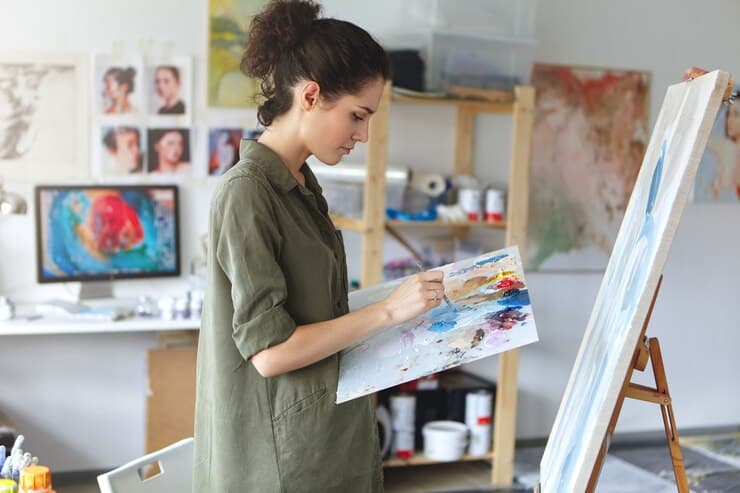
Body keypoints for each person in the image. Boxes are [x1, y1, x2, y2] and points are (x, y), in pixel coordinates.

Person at [193, 1, 446, 491]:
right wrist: (387, 312)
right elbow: (269, 352)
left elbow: (315, 316)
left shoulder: (303, 185)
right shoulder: (246, 191)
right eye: (357, 115)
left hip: (324, 441)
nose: (364, 135)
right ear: (311, 95)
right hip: (279, 465)